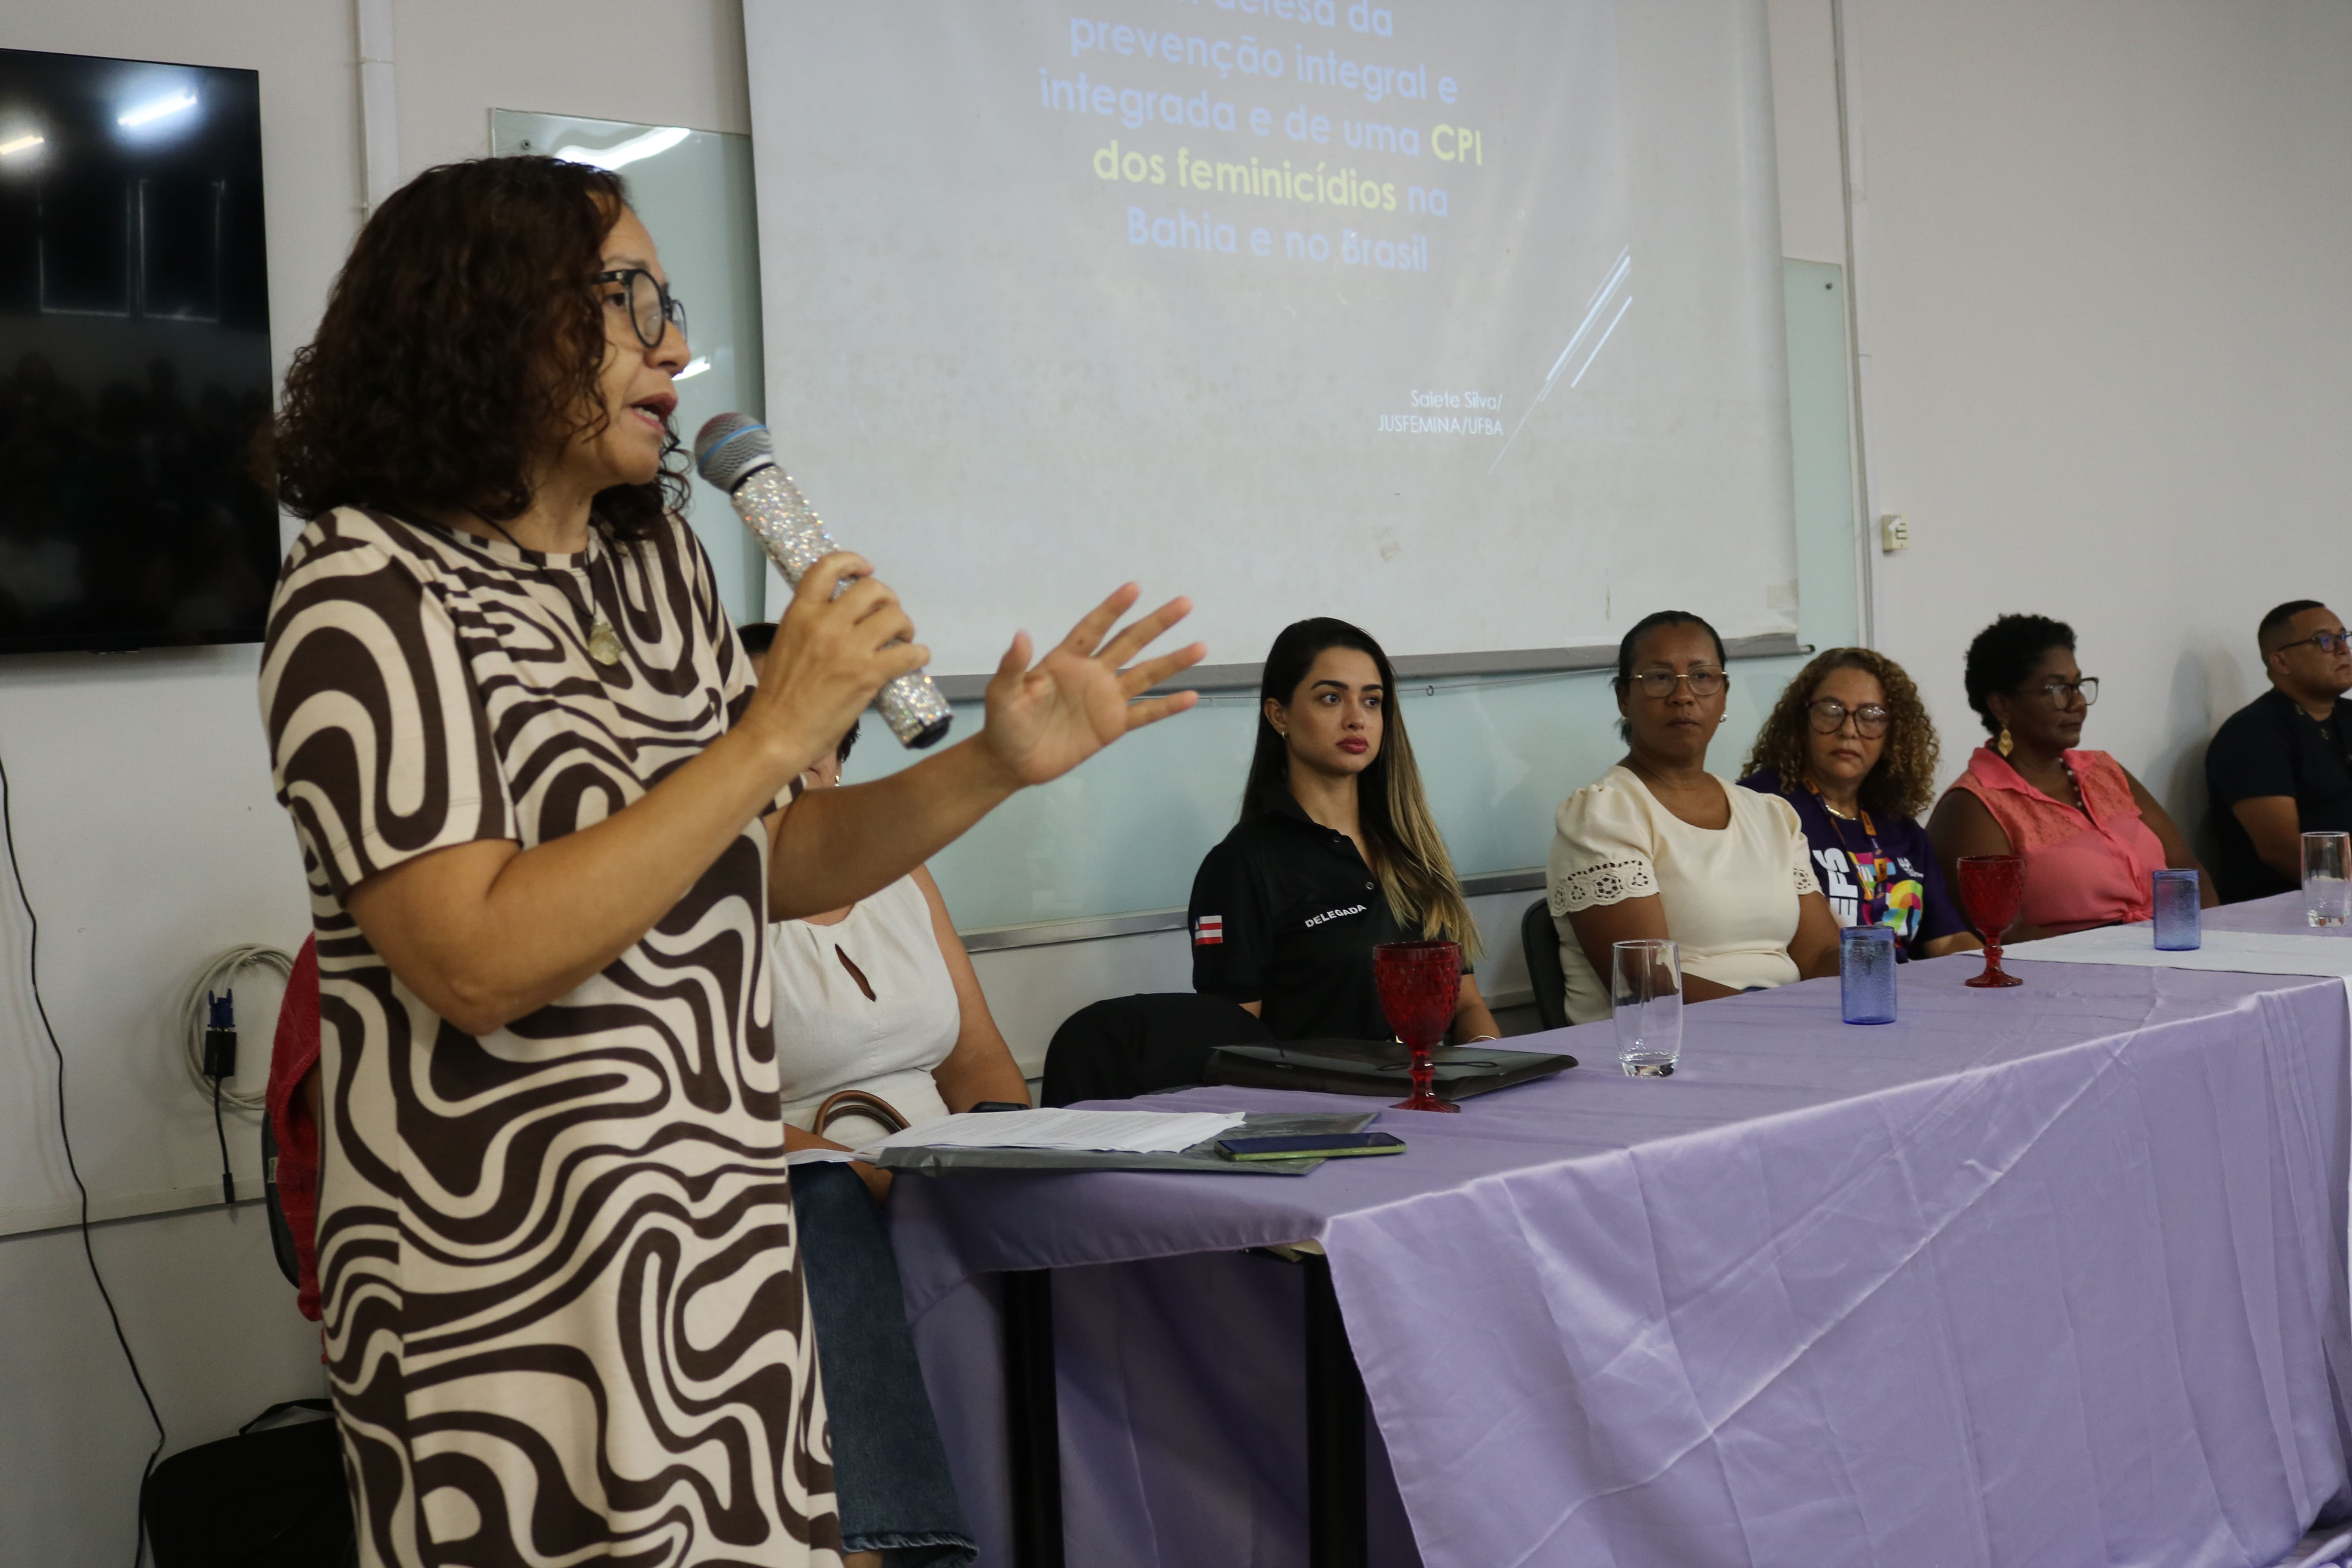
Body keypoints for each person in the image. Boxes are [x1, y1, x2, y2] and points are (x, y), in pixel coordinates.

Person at [259, 157, 1200, 1568]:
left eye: (670, 303)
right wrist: (771, 733)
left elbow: (772, 864)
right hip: (507, 1294)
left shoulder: (657, 570)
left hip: (716, 1260)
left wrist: (993, 763)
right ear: (485, 313)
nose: (673, 349)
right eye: (625, 299)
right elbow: (474, 957)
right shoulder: (363, 588)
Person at [1189, 617, 1499, 1043]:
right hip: (1322, 1089)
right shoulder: (1241, 865)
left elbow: (1467, 1005)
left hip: (1437, 1081)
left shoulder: (1413, 845)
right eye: (1332, 698)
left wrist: (1489, 1063)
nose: (1357, 719)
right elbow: (1233, 1046)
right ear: (1279, 714)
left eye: (1372, 701)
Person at [1548, 611, 1840, 1023]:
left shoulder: (1772, 815)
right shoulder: (1604, 815)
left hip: (1787, 1028)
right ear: (1624, 698)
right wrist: (1783, 1019)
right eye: (1659, 678)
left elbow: (1821, 953)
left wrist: (1867, 982)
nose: (1683, 696)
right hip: (1665, 1048)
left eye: (1702, 677)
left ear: (1724, 694)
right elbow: (1648, 981)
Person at [1928, 614, 2212, 939]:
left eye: (2078, 686)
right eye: (2058, 689)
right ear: (2002, 705)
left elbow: (2187, 871)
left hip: (2175, 950)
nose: (2077, 703)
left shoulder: (2106, 771)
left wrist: (2211, 944)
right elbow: (2004, 936)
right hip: (2075, 967)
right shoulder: (1973, 806)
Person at [1739, 648, 1978, 961]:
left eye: (1871, 716)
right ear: (1802, 720)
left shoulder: (1903, 830)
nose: (1849, 730)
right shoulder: (1761, 807)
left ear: (1893, 735)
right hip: (1813, 984)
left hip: (1901, 985)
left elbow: (1946, 942)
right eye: (1831, 711)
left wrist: (1996, 967)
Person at [2203, 600, 2352, 902]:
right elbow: (2283, 851)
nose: (2342, 649)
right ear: (2281, 662)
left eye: (2343, 637)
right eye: (2325, 640)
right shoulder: (2252, 733)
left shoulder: (2348, 715)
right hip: (2290, 905)